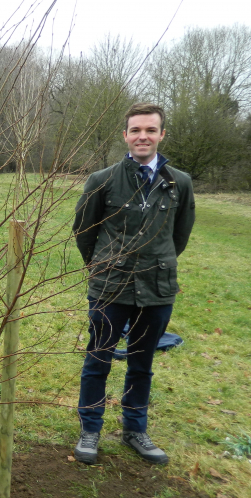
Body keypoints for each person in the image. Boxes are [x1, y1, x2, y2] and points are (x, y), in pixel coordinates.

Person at [72, 102, 195, 465]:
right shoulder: (103, 180)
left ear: (161, 134)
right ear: (125, 135)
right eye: (136, 130)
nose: (143, 136)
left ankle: (134, 430)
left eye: (151, 130)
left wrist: (158, 264)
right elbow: (84, 231)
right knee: (99, 359)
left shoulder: (179, 183)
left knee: (142, 364)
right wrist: (104, 267)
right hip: (110, 287)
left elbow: (179, 236)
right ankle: (90, 429)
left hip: (157, 290)